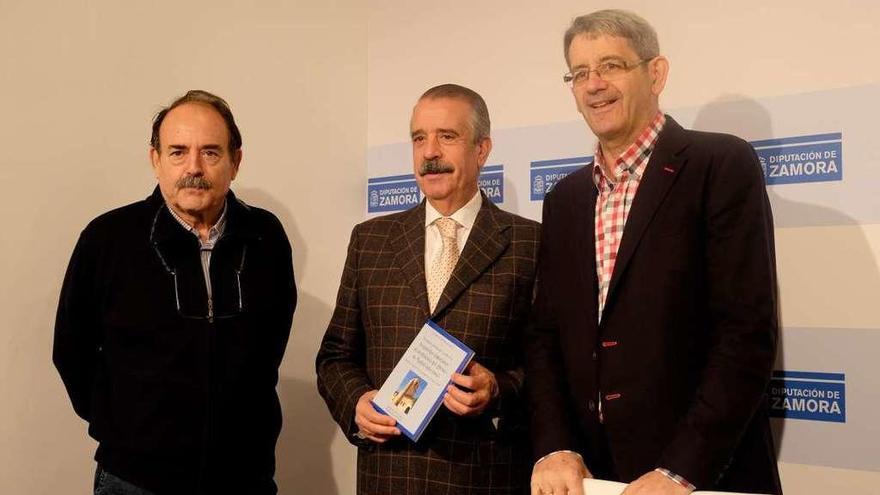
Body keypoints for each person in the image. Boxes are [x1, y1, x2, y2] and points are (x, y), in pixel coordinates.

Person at [526, 10, 782, 495]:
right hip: (591, 478)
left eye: (611, 66)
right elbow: (544, 338)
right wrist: (555, 446)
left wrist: (680, 471)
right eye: (580, 73)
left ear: (656, 73)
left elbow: (745, 335)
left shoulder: (720, 165)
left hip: (697, 478)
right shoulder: (565, 199)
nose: (594, 84)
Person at [53, 90, 296, 495]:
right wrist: (124, 428)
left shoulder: (266, 237)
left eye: (211, 153)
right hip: (134, 480)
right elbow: (71, 350)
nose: (194, 168)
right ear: (156, 160)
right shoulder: (108, 239)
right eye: (178, 152)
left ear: (236, 162)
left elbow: (270, 344)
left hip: (244, 478)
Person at [316, 83, 539, 494]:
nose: (430, 152)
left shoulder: (530, 243)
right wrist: (358, 405)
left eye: (447, 137)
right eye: (419, 138)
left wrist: (497, 389)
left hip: (485, 478)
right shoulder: (371, 240)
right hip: (388, 476)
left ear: (482, 149)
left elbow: (550, 368)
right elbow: (334, 357)